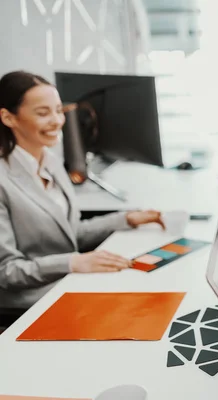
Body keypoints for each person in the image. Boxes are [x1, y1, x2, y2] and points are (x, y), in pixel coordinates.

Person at [0, 71, 164, 310]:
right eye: (43, 113)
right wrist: (72, 262)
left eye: (59, 110)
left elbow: (70, 232)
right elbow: (6, 271)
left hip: (69, 282)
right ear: (8, 117)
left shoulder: (52, 162)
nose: (57, 121)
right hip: (29, 301)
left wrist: (126, 219)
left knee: (147, 290)